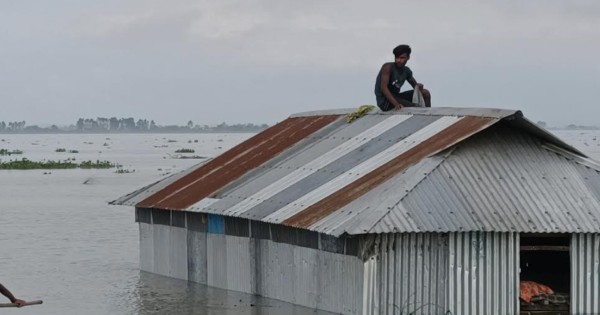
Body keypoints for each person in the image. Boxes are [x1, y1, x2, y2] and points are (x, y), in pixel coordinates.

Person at [374, 44, 431, 111]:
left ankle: (428, 112)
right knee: (414, 107)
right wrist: (396, 104)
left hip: (397, 97)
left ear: (408, 57)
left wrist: (419, 87)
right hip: (385, 101)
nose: (398, 60)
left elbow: (415, 87)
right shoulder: (387, 67)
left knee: (425, 93)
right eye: (397, 58)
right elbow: (383, 88)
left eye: (402, 58)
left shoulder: (406, 71)